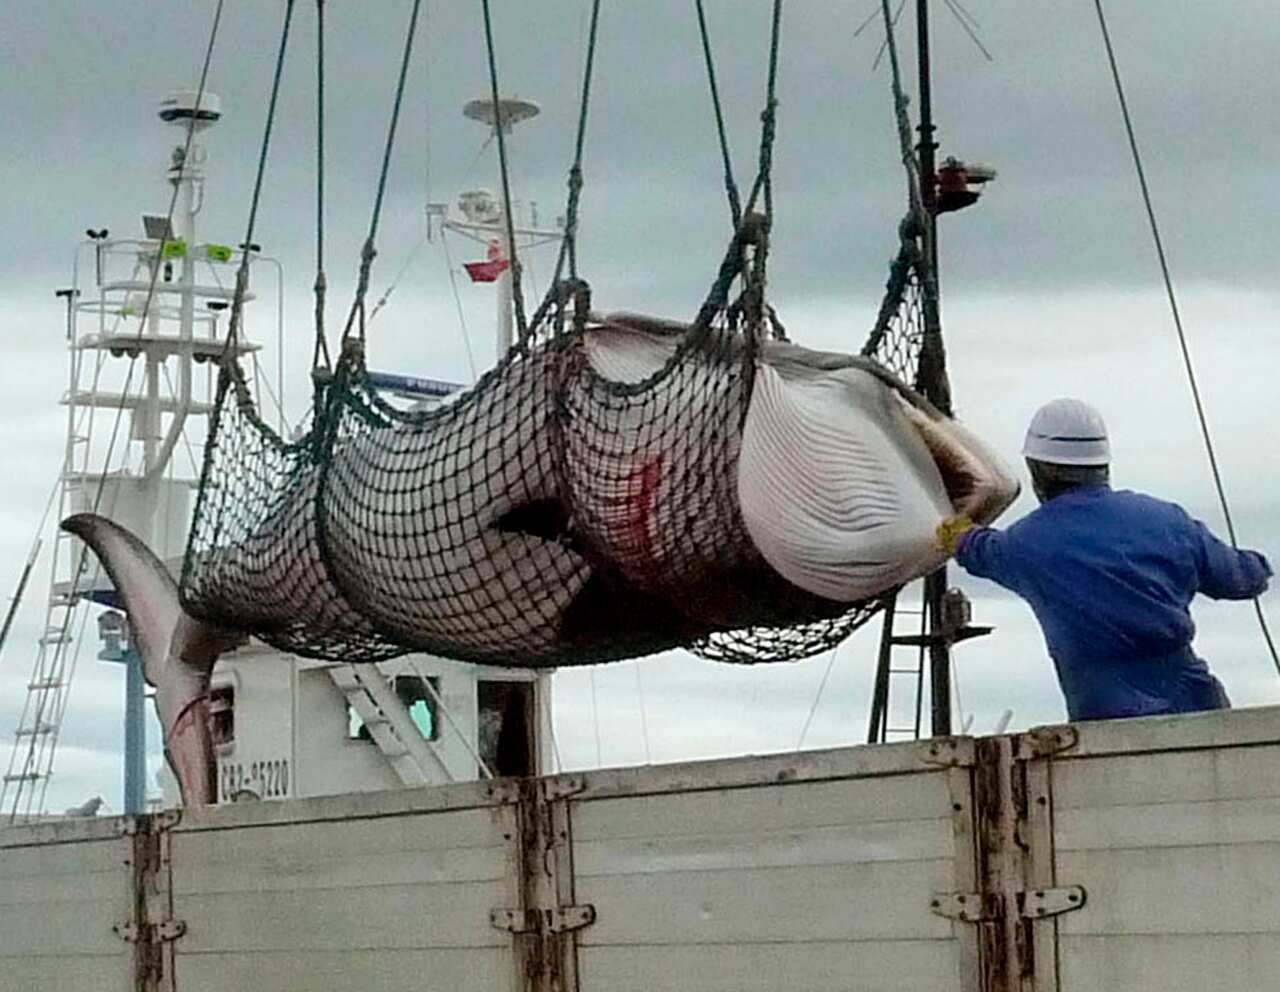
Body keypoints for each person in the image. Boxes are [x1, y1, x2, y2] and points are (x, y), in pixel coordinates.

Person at [936, 398, 1272, 722]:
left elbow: (976, 547)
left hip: (1105, 722)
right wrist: (1258, 565)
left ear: (1038, 469)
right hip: (1200, 712)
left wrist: (954, 531)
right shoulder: (1166, 520)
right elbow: (1242, 578)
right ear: (1102, 464)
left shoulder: (1025, 544)